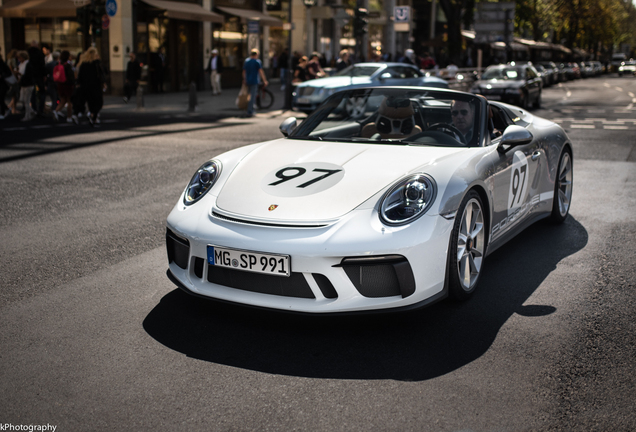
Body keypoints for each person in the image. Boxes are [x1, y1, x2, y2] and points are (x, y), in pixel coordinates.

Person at [77, 47, 105, 126]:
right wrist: (103, 83)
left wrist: (79, 84)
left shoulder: (84, 64)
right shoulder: (96, 63)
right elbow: (101, 74)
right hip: (95, 86)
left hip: (86, 86)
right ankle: (93, 116)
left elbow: (80, 76)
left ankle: (93, 116)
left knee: (91, 102)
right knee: (99, 102)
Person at [242, 48, 268, 118]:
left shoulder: (247, 61)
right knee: (252, 97)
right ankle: (250, 111)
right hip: (254, 81)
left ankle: (249, 109)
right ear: (256, 55)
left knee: (248, 96)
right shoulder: (257, 62)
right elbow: (261, 72)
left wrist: (244, 79)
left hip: (248, 81)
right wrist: (265, 80)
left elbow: (244, 72)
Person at [53, 50, 76, 123]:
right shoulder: (68, 66)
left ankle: (56, 111)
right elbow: (71, 77)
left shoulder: (59, 64)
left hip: (60, 84)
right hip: (68, 85)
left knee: (62, 100)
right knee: (70, 101)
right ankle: (69, 117)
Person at [27, 41, 46, 116]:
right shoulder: (40, 53)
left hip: (31, 75)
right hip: (39, 75)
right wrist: (44, 75)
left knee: (32, 93)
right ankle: (41, 109)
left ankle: (34, 108)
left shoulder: (28, 53)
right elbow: (42, 65)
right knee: (42, 92)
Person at [17, 51, 36, 121]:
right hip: (24, 84)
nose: (18, 59)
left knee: (26, 101)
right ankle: (31, 112)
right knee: (23, 100)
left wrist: (18, 74)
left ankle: (27, 115)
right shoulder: (23, 64)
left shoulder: (27, 64)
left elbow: (26, 74)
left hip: (27, 84)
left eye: (19, 57)